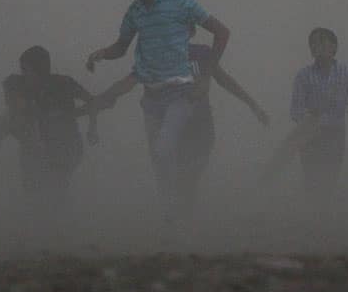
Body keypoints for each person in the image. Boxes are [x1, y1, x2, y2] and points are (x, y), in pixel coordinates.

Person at [85, 0, 230, 225]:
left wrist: (207, 76)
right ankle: (170, 216)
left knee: (164, 149)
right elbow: (121, 47)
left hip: (180, 94)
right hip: (151, 98)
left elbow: (222, 32)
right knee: (158, 158)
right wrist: (101, 54)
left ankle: (180, 202)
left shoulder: (181, 4)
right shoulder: (135, 13)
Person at [96, 23, 269, 218]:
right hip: (172, 127)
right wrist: (102, 98)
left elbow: (224, 80)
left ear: (191, 33)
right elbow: (129, 82)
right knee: (174, 174)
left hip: (200, 124)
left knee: (191, 175)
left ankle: (184, 214)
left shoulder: (202, 54)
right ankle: (176, 219)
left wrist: (252, 104)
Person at [274, 27, 348, 199]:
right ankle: (312, 214)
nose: (317, 46)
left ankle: (323, 214)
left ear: (334, 47)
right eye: (313, 43)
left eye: (322, 42)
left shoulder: (347, 72)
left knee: (331, 176)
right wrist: (309, 115)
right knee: (311, 177)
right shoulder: (303, 76)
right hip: (310, 134)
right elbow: (295, 110)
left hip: (336, 132)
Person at [0, 45, 98, 192]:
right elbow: (13, 101)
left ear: (40, 71)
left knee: (54, 186)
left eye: (26, 70)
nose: (23, 75)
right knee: (34, 188)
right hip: (35, 151)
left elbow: (92, 102)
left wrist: (92, 129)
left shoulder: (63, 85)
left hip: (64, 148)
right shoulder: (19, 86)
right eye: (22, 70)